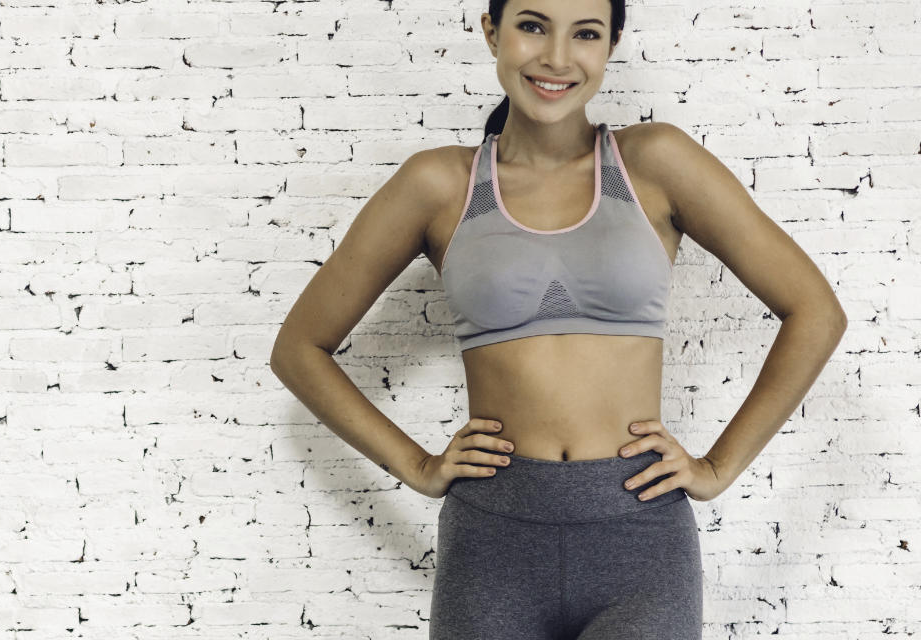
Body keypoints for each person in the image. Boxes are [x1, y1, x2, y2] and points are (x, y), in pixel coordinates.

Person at [266, 0, 849, 637]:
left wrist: (718, 466)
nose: (557, 57)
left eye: (586, 33)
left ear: (612, 44)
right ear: (492, 32)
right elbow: (300, 347)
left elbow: (814, 311)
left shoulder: (656, 162)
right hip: (492, 537)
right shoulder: (438, 183)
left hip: (640, 535)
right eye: (533, 25)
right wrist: (417, 465)